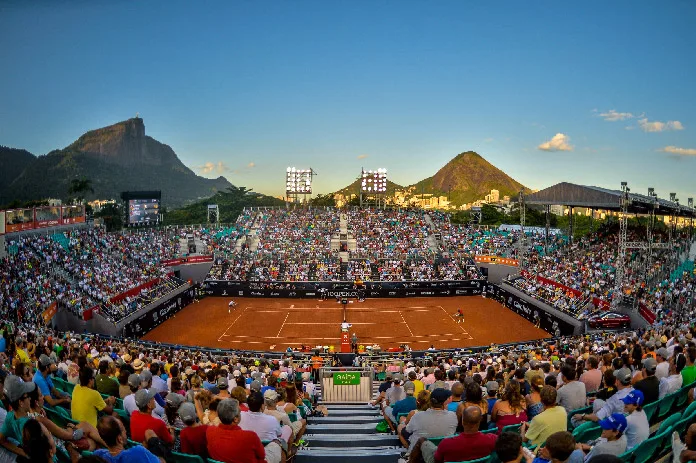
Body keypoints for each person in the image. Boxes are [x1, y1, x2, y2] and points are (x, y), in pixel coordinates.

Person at [414, 405, 497, 463]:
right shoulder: (492, 439)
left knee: (422, 441)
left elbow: (437, 460)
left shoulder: (446, 443)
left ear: (462, 421)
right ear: (480, 420)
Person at [206, 399, 267, 463]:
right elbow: (262, 455)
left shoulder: (210, 431)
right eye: (240, 412)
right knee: (274, 445)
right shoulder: (250, 436)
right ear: (236, 419)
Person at [403, 388, 457, 453]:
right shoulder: (453, 416)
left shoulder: (418, 416)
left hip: (420, 454)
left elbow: (407, 430)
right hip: (443, 452)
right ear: (445, 402)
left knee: (402, 428)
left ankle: (408, 454)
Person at [93, 415, 163, 463]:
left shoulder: (98, 456)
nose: (126, 431)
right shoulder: (138, 452)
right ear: (119, 439)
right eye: (123, 429)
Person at [0, 375, 35, 459]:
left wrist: (23, 453)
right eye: (27, 396)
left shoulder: (10, 416)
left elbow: (2, 440)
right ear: (21, 402)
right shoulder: (31, 426)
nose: (30, 398)